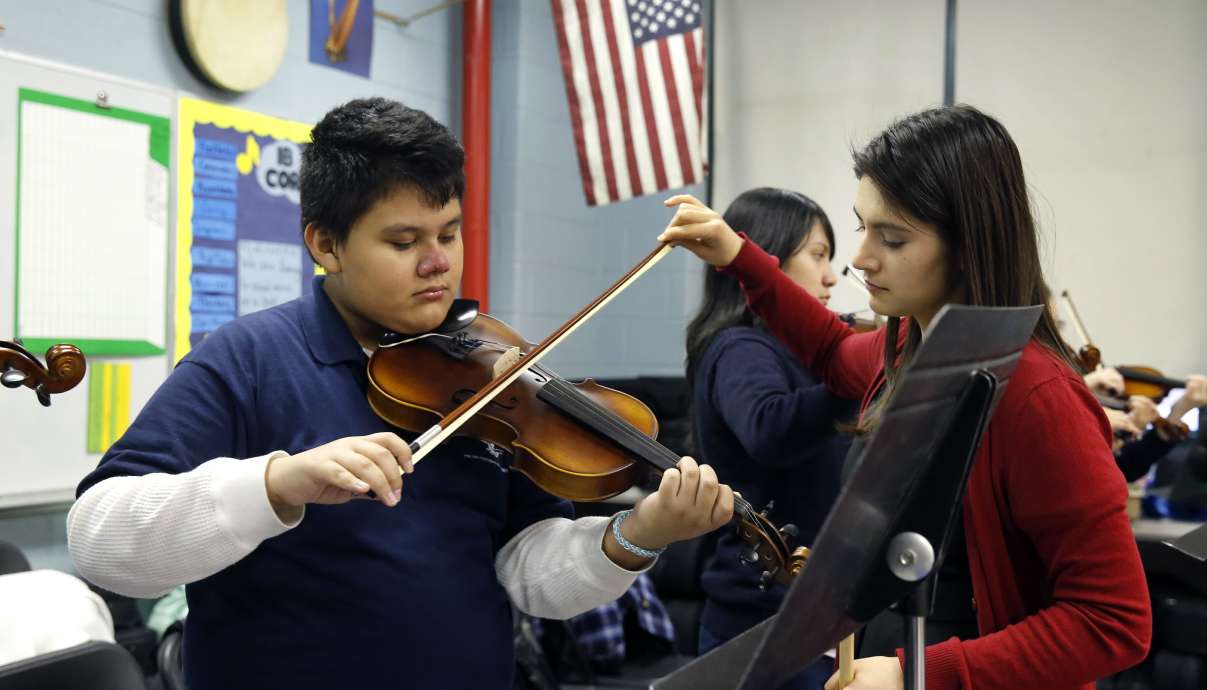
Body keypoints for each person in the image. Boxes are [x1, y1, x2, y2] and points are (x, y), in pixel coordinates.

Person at [66, 98, 735, 690]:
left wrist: (637, 534)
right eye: (404, 241)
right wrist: (276, 484)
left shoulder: (490, 374)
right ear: (325, 244)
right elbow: (99, 539)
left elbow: (529, 572)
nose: (439, 262)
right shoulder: (248, 358)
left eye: (448, 233)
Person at [658, 104, 1151, 690]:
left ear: (969, 246)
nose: (861, 258)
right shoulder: (906, 350)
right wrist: (741, 257)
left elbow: (1114, 621)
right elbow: (829, 348)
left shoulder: (1040, 396)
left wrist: (918, 675)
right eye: (862, 226)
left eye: (891, 238)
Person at [685, 187, 854, 688]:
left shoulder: (798, 353)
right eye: (818, 255)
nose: (830, 277)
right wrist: (856, 377)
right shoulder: (740, 347)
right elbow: (769, 427)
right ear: (764, 256)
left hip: (815, 609)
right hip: (762, 622)